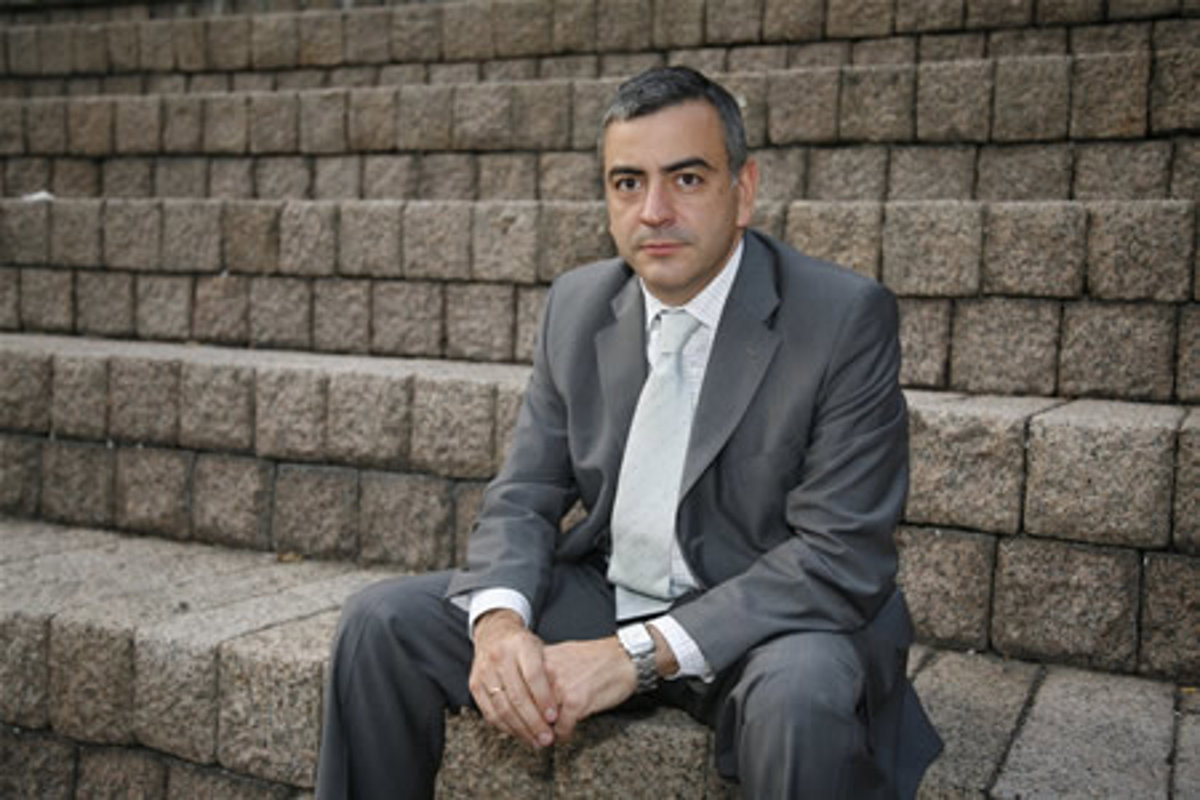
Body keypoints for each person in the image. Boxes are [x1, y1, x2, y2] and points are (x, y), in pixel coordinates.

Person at [316, 66, 942, 799]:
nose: (653, 211)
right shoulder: (578, 303)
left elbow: (840, 555)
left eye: (686, 179)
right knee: (380, 624)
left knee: (802, 698)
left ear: (743, 191)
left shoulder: (842, 319)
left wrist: (632, 657)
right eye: (627, 183)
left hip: (769, 620)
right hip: (614, 591)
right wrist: (500, 627)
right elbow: (526, 492)